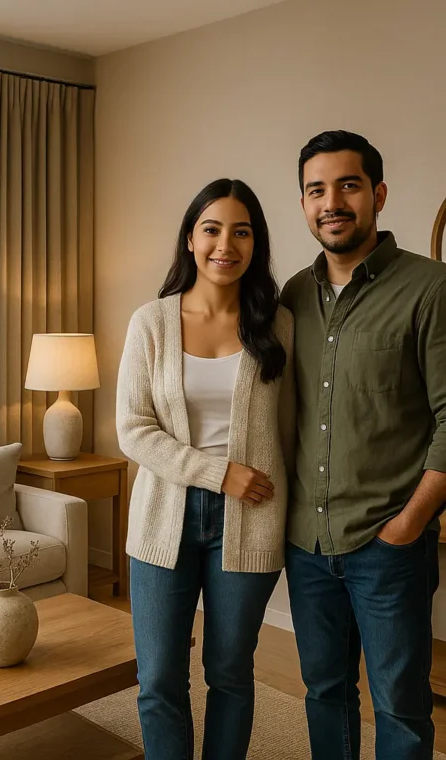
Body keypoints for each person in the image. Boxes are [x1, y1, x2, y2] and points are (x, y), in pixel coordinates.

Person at [116, 178, 295, 759]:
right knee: (160, 678)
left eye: (241, 231)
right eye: (212, 229)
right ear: (190, 240)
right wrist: (220, 475)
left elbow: (294, 429)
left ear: (256, 243)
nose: (226, 244)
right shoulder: (152, 322)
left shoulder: (280, 324)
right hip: (162, 519)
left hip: (253, 519)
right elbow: (133, 429)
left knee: (230, 673)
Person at [281, 129, 446, 760]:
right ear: (303, 204)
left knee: (400, 703)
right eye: (316, 189)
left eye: (348, 185)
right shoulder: (291, 297)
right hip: (307, 543)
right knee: (324, 691)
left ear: (377, 193)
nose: (332, 202)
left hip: (389, 546)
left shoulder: (430, 288)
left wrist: (408, 524)